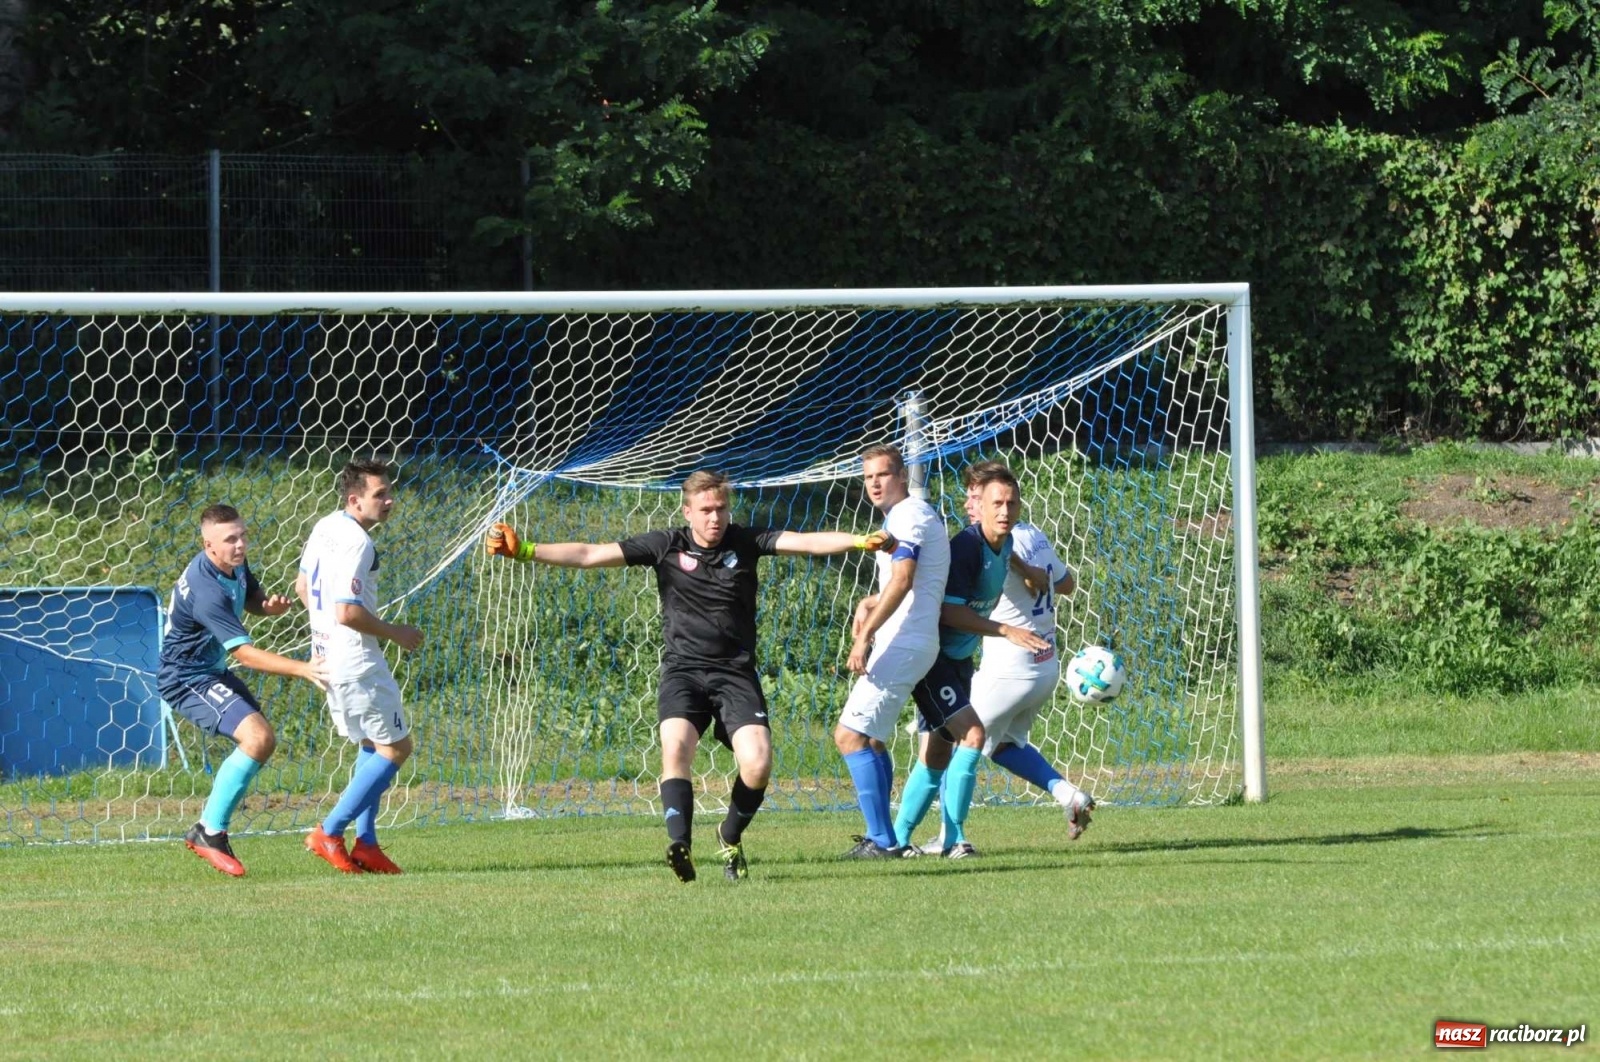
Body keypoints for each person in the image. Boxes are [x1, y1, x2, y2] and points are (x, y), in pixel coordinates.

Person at [485, 469, 894, 883]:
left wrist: (859, 540)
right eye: (706, 511)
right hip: (683, 672)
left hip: (735, 675)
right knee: (676, 748)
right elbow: (591, 555)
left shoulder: (745, 541)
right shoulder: (666, 545)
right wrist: (526, 550)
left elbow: (805, 542)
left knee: (758, 765)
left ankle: (729, 835)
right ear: (688, 512)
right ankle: (679, 843)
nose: (715, 518)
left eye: (721, 509)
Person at [912, 460, 1095, 856]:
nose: (968, 504)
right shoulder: (1034, 536)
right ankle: (1069, 795)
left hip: (1009, 664)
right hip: (1045, 664)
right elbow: (1066, 584)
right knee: (1004, 745)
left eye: (975, 496)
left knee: (958, 740)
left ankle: (948, 838)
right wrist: (1033, 572)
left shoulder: (992, 541)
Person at [891, 462, 1051, 858]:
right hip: (934, 657)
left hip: (959, 660)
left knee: (938, 752)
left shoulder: (1006, 542)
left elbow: (1008, 556)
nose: (1005, 511)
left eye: (1011, 504)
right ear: (978, 506)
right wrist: (1006, 630)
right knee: (974, 736)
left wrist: (1031, 572)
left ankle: (894, 840)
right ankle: (954, 840)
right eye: (997, 503)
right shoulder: (965, 548)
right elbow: (948, 612)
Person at [158, 504, 328, 877]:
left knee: (261, 742)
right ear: (208, 545)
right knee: (257, 738)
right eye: (230, 539)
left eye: (243, 536)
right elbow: (245, 655)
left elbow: (250, 598)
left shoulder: (232, 565)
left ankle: (209, 828)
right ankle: (209, 831)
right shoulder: (205, 590)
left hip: (210, 671)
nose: (240, 545)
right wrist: (303, 668)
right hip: (187, 678)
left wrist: (267, 607)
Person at [296, 458, 426, 875]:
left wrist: (323, 635)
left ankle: (366, 844)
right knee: (396, 747)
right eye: (379, 495)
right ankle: (329, 831)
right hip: (356, 660)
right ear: (354, 500)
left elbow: (302, 588)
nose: (389, 500)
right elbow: (348, 612)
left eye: (389, 492)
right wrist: (396, 633)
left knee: (372, 745)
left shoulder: (324, 525)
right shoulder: (357, 543)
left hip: (328, 657)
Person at [834, 444, 952, 858]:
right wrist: (870, 602)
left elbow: (903, 580)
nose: (875, 484)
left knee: (849, 736)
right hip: (905, 640)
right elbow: (904, 583)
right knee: (872, 741)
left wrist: (865, 633)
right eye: (868, 477)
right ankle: (886, 839)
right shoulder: (900, 519)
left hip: (905, 642)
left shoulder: (910, 514)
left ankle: (882, 840)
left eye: (883, 474)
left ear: (902, 476)